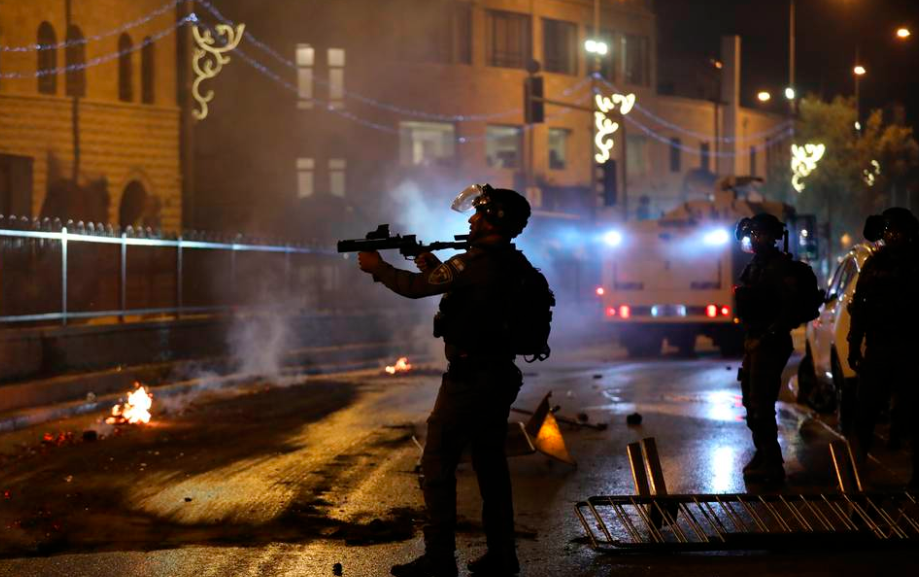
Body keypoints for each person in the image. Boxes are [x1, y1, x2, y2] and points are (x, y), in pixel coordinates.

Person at [357, 185, 535, 577]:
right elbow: (468, 293)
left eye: (479, 214)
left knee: (436, 463)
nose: (471, 220)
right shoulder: (510, 262)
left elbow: (413, 289)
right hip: (499, 375)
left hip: (470, 380)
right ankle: (502, 556)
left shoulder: (474, 263)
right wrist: (436, 264)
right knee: (491, 466)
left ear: (494, 221)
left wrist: (378, 267)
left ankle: (439, 559)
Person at [847, 207, 919, 488]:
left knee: (914, 414)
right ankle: (857, 466)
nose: (893, 236)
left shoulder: (915, 264)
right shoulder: (874, 265)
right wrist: (854, 346)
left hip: (911, 349)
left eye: (899, 231)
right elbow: (861, 309)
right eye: (889, 231)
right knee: (864, 411)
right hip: (878, 348)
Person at [734, 213, 799, 483]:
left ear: (771, 237)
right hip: (754, 340)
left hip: (771, 342)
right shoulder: (754, 266)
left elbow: (788, 310)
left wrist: (768, 335)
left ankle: (772, 461)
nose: (756, 240)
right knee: (751, 400)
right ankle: (763, 452)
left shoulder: (780, 267)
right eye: (754, 235)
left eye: (760, 235)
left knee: (761, 402)